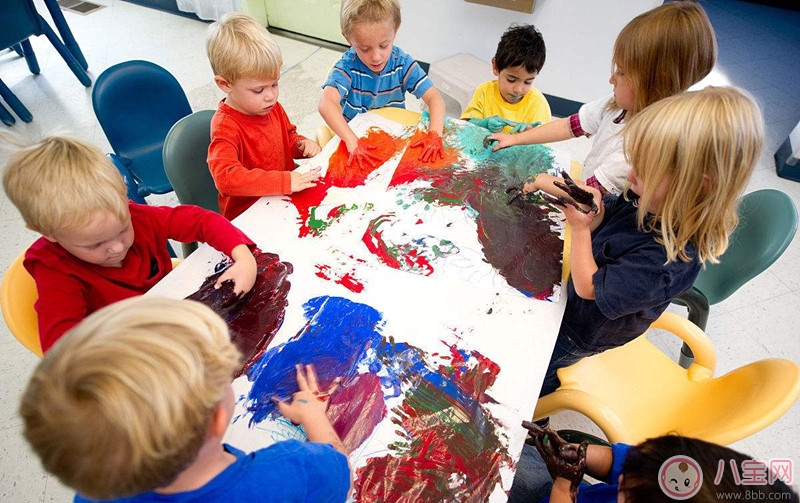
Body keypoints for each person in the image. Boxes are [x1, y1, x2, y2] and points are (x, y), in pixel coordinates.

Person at [526, 86, 763, 397]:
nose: (631, 175)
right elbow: (610, 215)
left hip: (580, 330)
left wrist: (581, 231)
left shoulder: (667, 260)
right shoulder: (651, 198)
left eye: (646, 169)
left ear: (696, 187)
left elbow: (590, 288)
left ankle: (538, 405)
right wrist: (594, 210)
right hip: (573, 297)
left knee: (540, 371)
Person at [19, 296, 351, 502]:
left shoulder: (94, 495)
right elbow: (340, 473)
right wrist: (314, 417)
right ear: (218, 419)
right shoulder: (288, 473)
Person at [1, 135, 258, 352]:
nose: (117, 247)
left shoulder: (137, 216)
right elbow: (63, 349)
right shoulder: (55, 271)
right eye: (95, 245)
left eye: (123, 229)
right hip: (127, 345)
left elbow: (200, 221)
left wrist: (243, 257)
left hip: (180, 312)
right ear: (49, 234)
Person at [488, 1, 716, 196]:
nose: (611, 79)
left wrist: (540, 180)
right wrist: (517, 139)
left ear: (655, 85)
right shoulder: (617, 104)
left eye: (622, 72)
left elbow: (588, 194)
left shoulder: (641, 145)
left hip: (598, 214)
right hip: (586, 189)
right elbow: (570, 126)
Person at [206, 12, 322, 220]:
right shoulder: (225, 126)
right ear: (225, 84)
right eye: (258, 90)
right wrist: (283, 182)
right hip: (249, 215)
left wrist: (300, 145)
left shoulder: (271, 107)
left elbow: (287, 139)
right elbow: (225, 178)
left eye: (275, 84)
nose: (270, 96)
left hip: (281, 200)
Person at [509, 423, 798, 503]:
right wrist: (576, 455)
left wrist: (564, 483)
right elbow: (624, 462)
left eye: (627, 492)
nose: (621, 479)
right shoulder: (669, 475)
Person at [318, 0, 447, 168]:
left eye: (383, 45)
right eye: (365, 48)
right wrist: (351, 140)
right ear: (348, 38)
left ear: (395, 30)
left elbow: (435, 99)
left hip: (392, 138)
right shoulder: (346, 68)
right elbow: (325, 104)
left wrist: (434, 134)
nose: (376, 56)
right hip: (356, 141)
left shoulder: (402, 63)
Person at [461, 24, 551, 134]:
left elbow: (543, 141)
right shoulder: (484, 91)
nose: (518, 89)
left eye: (528, 82)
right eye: (511, 80)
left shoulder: (538, 103)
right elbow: (465, 126)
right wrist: (484, 123)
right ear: (496, 67)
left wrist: (529, 135)